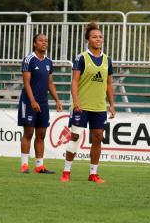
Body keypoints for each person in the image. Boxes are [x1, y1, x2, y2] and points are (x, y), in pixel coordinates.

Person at [60, 22, 115, 183]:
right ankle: (66, 171)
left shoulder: (107, 60)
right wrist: (76, 101)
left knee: (98, 137)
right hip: (81, 105)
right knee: (75, 136)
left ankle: (93, 174)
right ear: (88, 40)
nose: (98, 39)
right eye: (94, 37)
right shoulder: (81, 58)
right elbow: (75, 81)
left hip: (99, 107)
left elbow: (109, 84)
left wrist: (111, 104)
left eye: (100, 37)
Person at [18, 33, 62, 174]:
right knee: (28, 132)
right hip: (29, 101)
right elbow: (26, 83)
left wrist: (56, 99)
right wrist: (32, 101)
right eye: (41, 40)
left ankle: (39, 166)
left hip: (43, 103)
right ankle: (24, 165)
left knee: (41, 134)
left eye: (46, 41)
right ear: (35, 43)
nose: (44, 43)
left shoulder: (49, 62)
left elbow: (50, 82)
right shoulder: (29, 60)